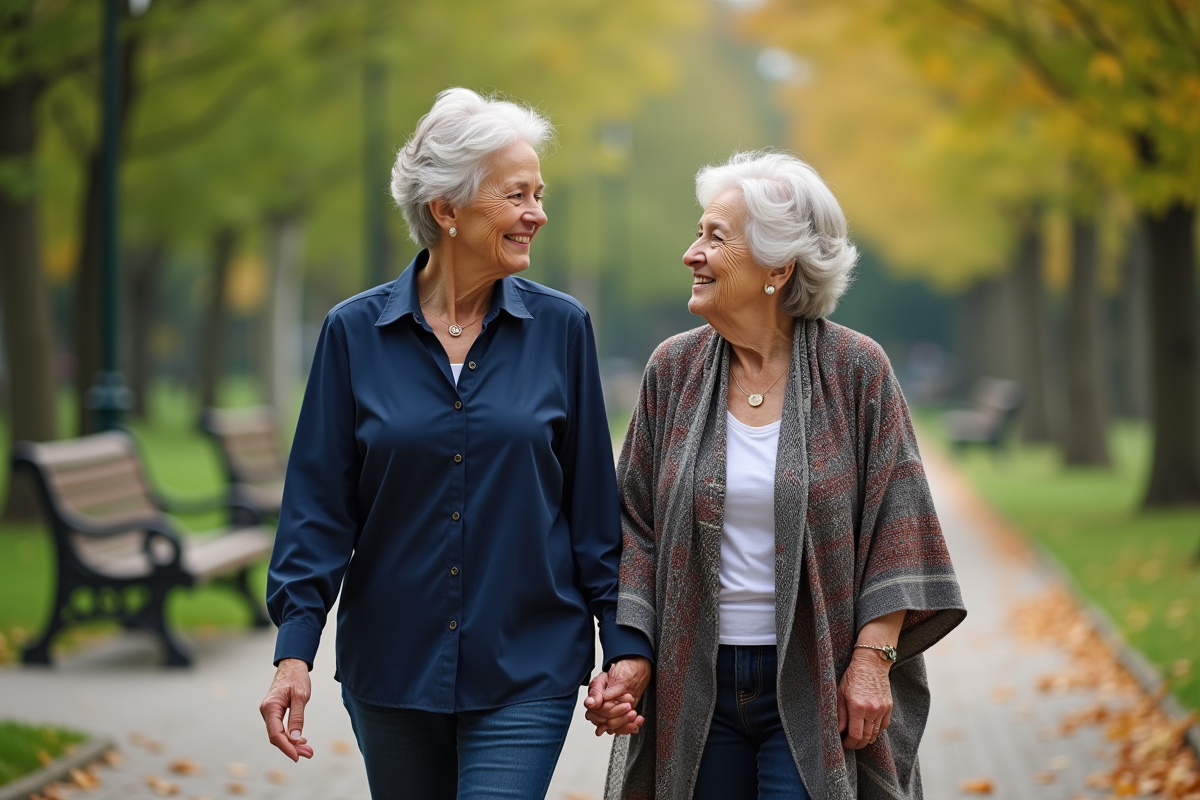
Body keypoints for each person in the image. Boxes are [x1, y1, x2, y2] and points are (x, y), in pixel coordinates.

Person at [257, 87, 652, 800]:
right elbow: (318, 510)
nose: (538, 213)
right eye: (517, 195)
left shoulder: (563, 330)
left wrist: (622, 647)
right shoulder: (354, 333)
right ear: (447, 209)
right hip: (392, 666)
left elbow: (595, 513)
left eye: (539, 193)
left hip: (528, 663)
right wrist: (293, 655)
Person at [587, 151, 967, 800]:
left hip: (817, 677)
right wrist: (631, 654)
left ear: (778, 267)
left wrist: (873, 661)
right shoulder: (672, 371)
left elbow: (899, 527)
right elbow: (635, 528)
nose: (691, 253)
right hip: (695, 681)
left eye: (714, 237)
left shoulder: (856, 371)